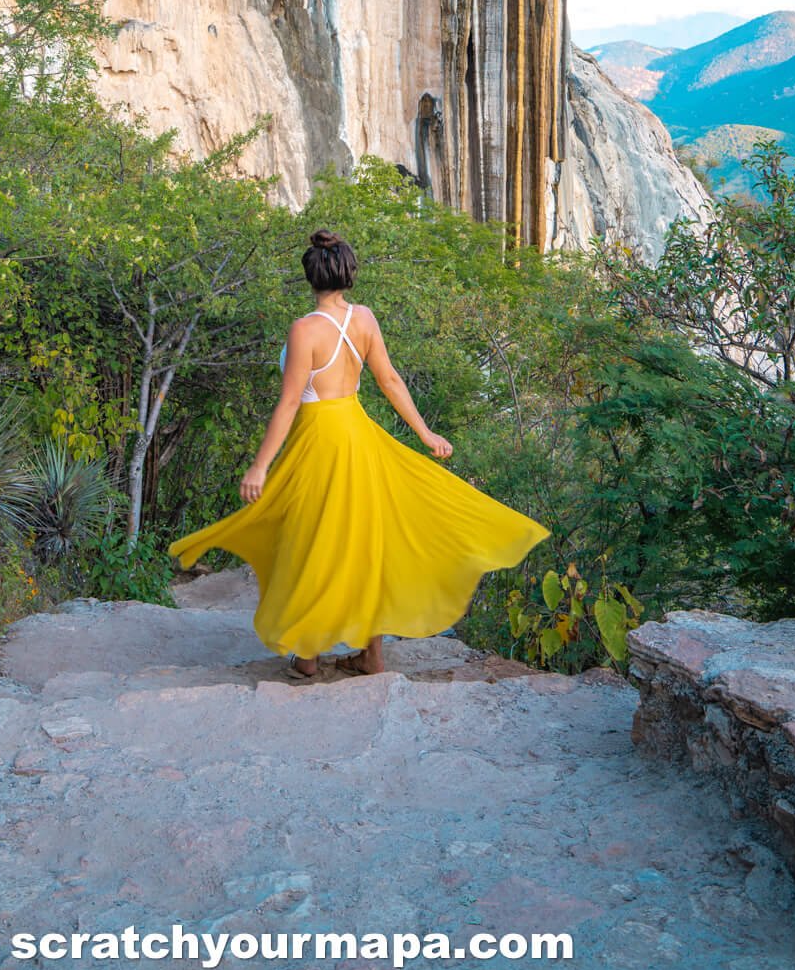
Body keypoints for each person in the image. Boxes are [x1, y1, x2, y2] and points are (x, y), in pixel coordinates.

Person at [168, 228, 550, 682]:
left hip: (319, 443)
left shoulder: (305, 329)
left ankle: (307, 657)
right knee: (366, 544)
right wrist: (425, 433)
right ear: (349, 275)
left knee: (311, 539)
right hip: (359, 436)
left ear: (309, 276)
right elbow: (390, 381)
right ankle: (370, 655)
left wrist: (260, 464)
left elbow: (290, 402)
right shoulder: (364, 319)